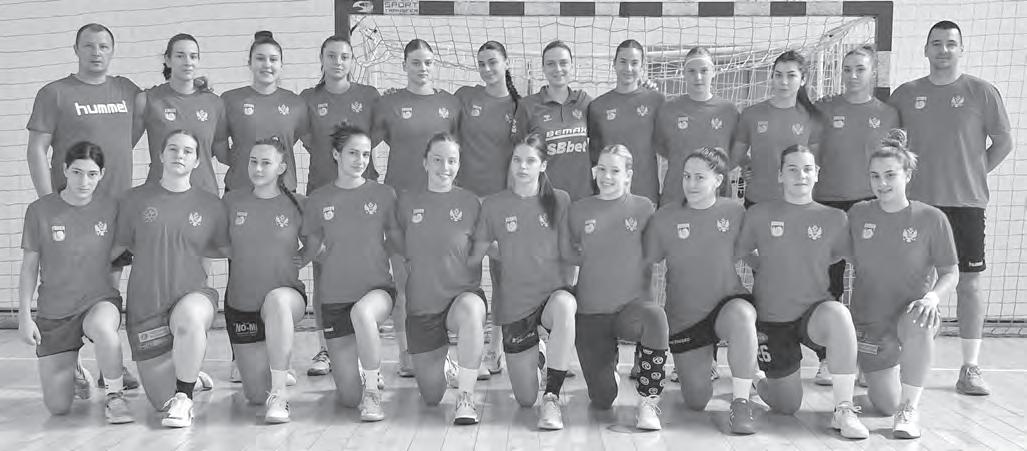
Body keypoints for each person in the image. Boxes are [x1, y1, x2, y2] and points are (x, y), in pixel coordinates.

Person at [888, 20, 1012, 395]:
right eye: (937, 43)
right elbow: (892, 148)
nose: (943, 50)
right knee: (911, 284)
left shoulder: (982, 92)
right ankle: (894, 362)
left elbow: (1003, 143)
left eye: (951, 44)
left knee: (968, 284)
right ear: (925, 49)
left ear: (961, 49)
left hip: (965, 205)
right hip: (916, 206)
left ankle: (970, 367)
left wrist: (973, 173)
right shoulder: (905, 95)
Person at [25, 22, 140, 396]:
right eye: (88, 45)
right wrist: (48, 202)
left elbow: (162, 106)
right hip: (69, 212)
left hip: (114, 213)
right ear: (76, 49)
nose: (96, 52)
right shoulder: (55, 93)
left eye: (104, 46)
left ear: (113, 50)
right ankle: (69, 359)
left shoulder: (127, 91)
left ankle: (110, 368)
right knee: (66, 284)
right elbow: (36, 149)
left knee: (109, 289)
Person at [734, 145, 868, 439]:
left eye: (807, 169)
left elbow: (846, 255)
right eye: (792, 169)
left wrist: (814, 260)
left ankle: (844, 409)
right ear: (780, 175)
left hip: (814, 314)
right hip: (772, 319)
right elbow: (741, 252)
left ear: (817, 174)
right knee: (786, 407)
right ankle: (759, 380)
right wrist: (765, 264)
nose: (800, 175)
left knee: (839, 314)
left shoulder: (835, 218)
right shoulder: (759, 213)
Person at [848, 129, 959, 439]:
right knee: (885, 405)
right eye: (875, 176)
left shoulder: (931, 218)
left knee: (921, 319)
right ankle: (890, 375)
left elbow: (950, 272)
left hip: (911, 313)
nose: (882, 183)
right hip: (870, 321)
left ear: (907, 175)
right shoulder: (858, 214)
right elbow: (833, 252)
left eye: (890, 175)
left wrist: (933, 298)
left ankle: (909, 409)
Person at [114, 129, 228, 428]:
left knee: (190, 318)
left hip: (192, 296)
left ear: (197, 161)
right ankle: (189, 372)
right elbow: (114, 249)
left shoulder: (211, 204)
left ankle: (185, 396)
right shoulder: (133, 200)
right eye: (173, 149)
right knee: (159, 402)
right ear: (161, 155)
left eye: (188, 151)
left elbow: (230, 249)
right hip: (147, 305)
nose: (180, 155)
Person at [731, 50, 830, 383]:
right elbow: (736, 154)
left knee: (808, 277)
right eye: (778, 74)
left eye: (791, 75)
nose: (783, 81)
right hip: (759, 205)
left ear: (803, 79)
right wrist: (748, 165)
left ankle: (824, 355)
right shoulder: (752, 114)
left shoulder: (812, 118)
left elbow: (813, 165)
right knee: (764, 277)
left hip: (799, 211)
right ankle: (764, 352)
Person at [644, 147, 757, 435]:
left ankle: (741, 401)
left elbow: (751, 255)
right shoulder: (665, 217)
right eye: (686, 176)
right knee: (696, 401)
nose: (691, 184)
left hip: (726, 303)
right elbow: (646, 260)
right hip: (685, 316)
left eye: (699, 177)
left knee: (743, 315)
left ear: (718, 180)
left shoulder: (735, 212)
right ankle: (706, 366)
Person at [18, 142, 133, 424]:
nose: (84, 181)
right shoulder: (40, 211)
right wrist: (24, 316)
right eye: (77, 172)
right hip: (55, 311)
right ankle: (74, 368)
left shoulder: (112, 208)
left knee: (103, 328)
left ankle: (115, 397)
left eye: (92, 174)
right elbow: (29, 267)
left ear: (101, 174)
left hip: (98, 301)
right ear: (64, 170)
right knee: (57, 407)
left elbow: (131, 244)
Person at [470, 134, 577, 430]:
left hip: (551, 298)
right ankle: (539, 355)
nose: (523, 166)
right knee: (526, 399)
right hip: (516, 306)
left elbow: (569, 251)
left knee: (565, 305)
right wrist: (508, 249)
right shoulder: (494, 205)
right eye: (517, 160)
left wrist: (570, 285)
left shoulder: (560, 200)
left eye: (531, 160)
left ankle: (552, 397)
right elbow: (481, 248)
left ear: (543, 165)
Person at [372, 39, 461, 375]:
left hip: (440, 206)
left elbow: (455, 152)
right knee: (404, 282)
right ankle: (406, 353)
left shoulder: (450, 104)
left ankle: (440, 351)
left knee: (437, 280)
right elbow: (366, 143)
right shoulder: (389, 103)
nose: (422, 68)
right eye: (415, 62)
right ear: (404, 65)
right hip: (400, 205)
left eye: (427, 62)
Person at [563, 144, 668, 430]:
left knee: (655, 316)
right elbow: (567, 255)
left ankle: (648, 402)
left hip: (630, 310)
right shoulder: (578, 210)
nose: (607, 176)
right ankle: (609, 369)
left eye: (615, 170)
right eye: (602, 169)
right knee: (602, 400)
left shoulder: (644, 208)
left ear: (628, 175)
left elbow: (657, 251)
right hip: (591, 313)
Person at [301, 123, 400, 422]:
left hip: (376, 290)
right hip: (335, 297)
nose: (360, 160)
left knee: (363, 313)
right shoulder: (318, 199)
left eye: (366, 154)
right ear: (336, 154)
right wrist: (286, 264)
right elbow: (311, 248)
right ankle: (361, 374)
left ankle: (372, 391)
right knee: (347, 399)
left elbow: (398, 241)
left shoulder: (384, 194)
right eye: (353, 153)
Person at [300, 34, 382, 377]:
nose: (338, 62)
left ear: (352, 61)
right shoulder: (308, 99)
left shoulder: (369, 96)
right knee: (324, 269)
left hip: (364, 195)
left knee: (365, 266)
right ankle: (325, 347)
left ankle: (365, 344)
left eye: (344, 56)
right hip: (323, 192)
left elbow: (374, 137)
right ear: (322, 59)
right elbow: (308, 139)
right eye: (331, 56)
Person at [397, 133, 486, 425]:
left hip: (461, 297)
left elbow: (489, 246)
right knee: (432, 396)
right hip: (423, 307)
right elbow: (394, 249)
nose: (444, 167)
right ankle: (445, 364)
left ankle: (466, 396)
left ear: (459, 164)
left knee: (472, 310)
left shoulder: (471, 202)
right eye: (437, 160)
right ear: (425, 162)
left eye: (451, 160)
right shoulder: (406, 202)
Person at [222, 138, 307, 424]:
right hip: (242, 304)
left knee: (277, 300)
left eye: (266, 163)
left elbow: (318, 241)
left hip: (287, 297)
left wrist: (303, 257)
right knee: (256, 396)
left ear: (281, 167)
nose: (257, 168)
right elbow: (215, 241)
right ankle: (274, 369)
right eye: (253, 161)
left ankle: (280, 394)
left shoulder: (298, 204)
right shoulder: (232, 201)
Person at [456, 40, 522, 378]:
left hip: (501, 204)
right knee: (464, 275)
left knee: (503, 278)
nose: (486, 69)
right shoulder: (465, 98)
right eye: (481, 63)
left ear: (506, 62)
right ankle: (468, 351)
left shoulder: (519, 107)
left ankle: (496, 349)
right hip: (466, 203)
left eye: (493, 62)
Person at [814, 45, 899, 306]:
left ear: (873, 73)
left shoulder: (888, 114)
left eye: (860, 69)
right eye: (847, 69)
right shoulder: (823, 108)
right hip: (829, 201)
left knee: (871, 272)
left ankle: (869, 327)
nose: (852, 75)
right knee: (829, 278)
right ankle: (828, 330)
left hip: (870, 202)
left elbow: (894, 162)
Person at [220, 31, 309, 193]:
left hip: (283, 191)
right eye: (260, 58)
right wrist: (240, 161)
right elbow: (219, 145)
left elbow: (293, 140)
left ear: (281, 64)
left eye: (273, 59)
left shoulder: (296, 103)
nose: (267, 65)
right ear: (249, 63)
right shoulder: (230, 100)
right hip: (241, 189)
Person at [139, 33, 227, 195]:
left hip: (204, 195)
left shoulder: (214, 103)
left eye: (193, 56)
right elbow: (123, 146)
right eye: (180, 56)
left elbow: (222, 152)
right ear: (168, 60)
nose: (187, 62)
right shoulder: (149, 100)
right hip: (159, 195)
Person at [654, 46, 739, 207]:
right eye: (691, 71)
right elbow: (662, 148)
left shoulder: (729, 111)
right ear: (684, 73)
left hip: (716, 200)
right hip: (676, 198)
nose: (698, 77)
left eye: (704, 71)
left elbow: (736, 152)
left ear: (713, 72)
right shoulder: (668, 110)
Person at [513, 40, 594, 201]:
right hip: (545, 199)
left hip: (583, 198)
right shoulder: (527, 106)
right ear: (543, 68)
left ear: (572, 66)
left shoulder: (584, 102)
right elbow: (517, 154)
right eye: (551, 64)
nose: (558, 69)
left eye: (563, 63)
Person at [588, 39, 665, 204]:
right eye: (623, 62)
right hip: (609, 194)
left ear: (642, 66)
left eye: (634, 63)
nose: (628, 68)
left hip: (646, 195)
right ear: (614, 64)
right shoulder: (597, 106)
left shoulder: (656, 101)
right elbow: (593, 157)